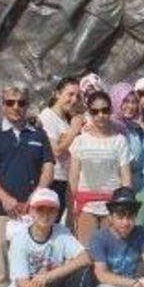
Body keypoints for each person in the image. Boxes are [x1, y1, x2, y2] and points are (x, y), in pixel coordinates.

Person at [0, 85, 54, 287]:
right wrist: (5, 198)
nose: (16, 107)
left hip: (32, 212)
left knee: (34, 263)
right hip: (0, 210)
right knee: (1, 263)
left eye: (21, 103)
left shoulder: (38, 135)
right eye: (10, 102)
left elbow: (48, 167)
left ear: (27, 105)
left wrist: (36, 197)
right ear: (2, 105)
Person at [6, 188, 95, 287]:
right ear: (31, 211)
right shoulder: (20, 239)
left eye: (51, 210)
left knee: (84, 272)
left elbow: (85, 258)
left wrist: (50, 275)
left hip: (52, 286)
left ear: (56, 213)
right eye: (40, 209)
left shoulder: (62, 233)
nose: (45, 215)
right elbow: (22, 284)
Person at [68, 91, 132, 247]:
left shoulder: (120, 141)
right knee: (85, 250)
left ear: (111, 111)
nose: (100, 115)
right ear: (89, 113)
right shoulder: (80, 141)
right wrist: (70, 210)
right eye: (95, 111)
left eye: (105, 110)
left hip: (112, 205)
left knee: (110, 252)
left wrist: (126, 208)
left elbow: (126, 178)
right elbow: (73, 179)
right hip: (85, 205)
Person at [38, 76, 83, 219]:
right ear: (57, 94)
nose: (74, 100)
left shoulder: (66, 120)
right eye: (70, 94)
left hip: (65, 180)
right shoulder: (47, 116)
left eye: (77, 96)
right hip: (53, 180)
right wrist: (74, 130)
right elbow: (55, 150)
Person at [110, 82, 144, 191]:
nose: (131, 106)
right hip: (116, 188)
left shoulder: (137, 129)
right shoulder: (109, 127)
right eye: (125, 101)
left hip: (140, 188)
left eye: (134, 102)